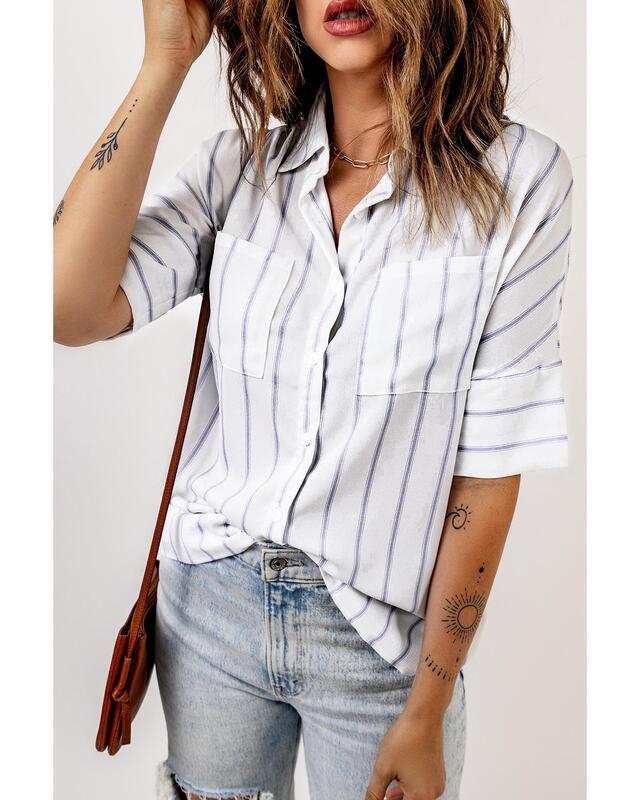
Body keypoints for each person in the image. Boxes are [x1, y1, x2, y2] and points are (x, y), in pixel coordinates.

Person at [53, 1, 573, 798]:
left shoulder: (518, 183)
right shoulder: (239, 171)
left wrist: (427, 709)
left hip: (381, 650)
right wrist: (165, 62)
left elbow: (490, 468)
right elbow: (66, 305)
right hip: (210, 615)